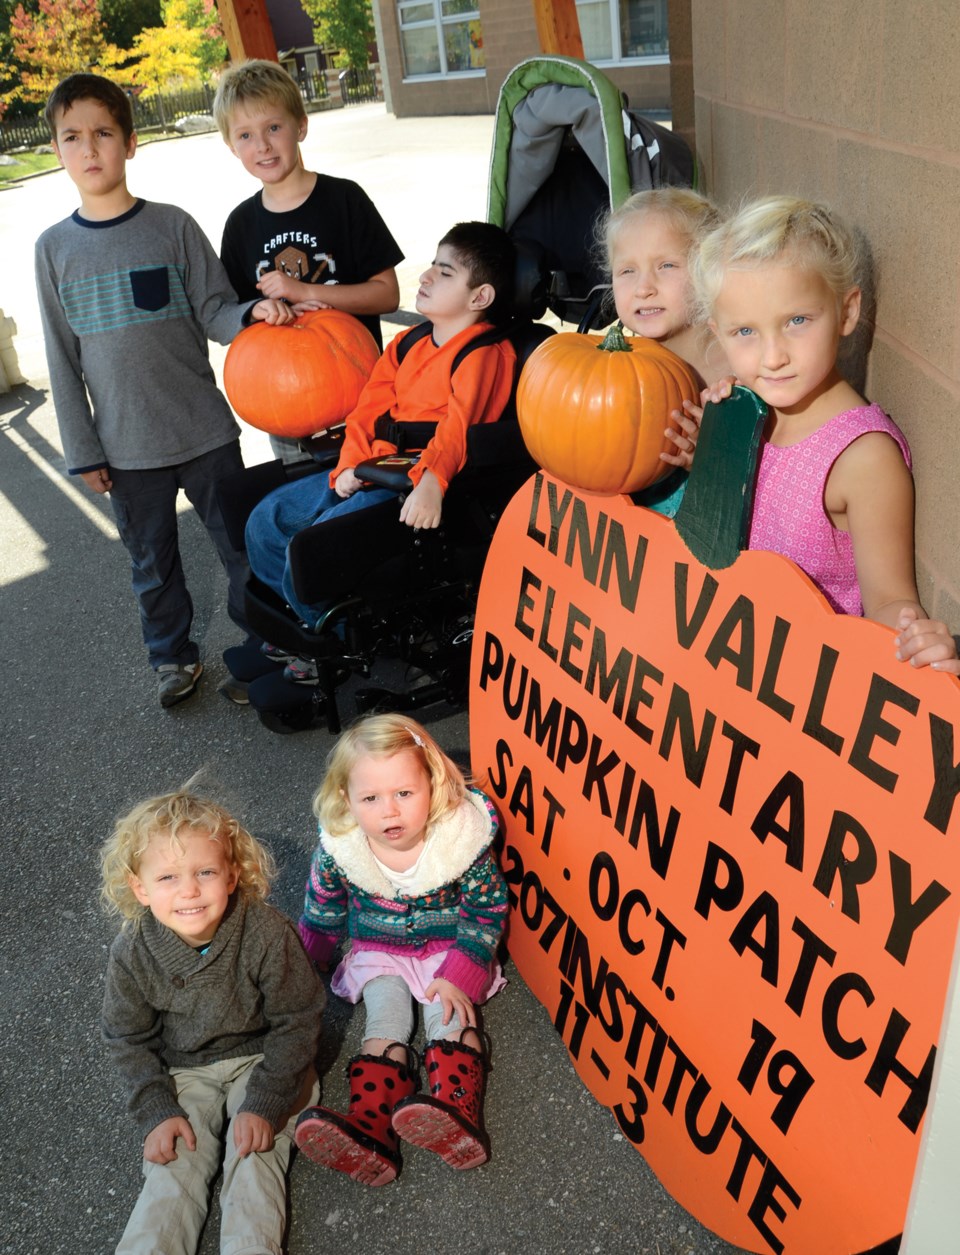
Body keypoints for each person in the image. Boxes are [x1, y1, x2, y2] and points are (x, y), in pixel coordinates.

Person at [35, 73, 293, 709]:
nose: (89, 149)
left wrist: (250, 317)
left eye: (103, 133)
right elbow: (61, 360)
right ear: (58, 150)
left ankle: (268, 647)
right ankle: (173, 659)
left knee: (241, 549)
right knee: (153, 566)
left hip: (205, 431)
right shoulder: (53, 250)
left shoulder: (173, 227)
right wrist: (83, 448)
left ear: (129, 144)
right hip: (126, 450)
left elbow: (213, 309)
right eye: (72, 137)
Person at [240, 220, 517, 686]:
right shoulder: (409, 342)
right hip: (374, 465)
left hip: (419, 482)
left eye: (445, 273)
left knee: (314, 547)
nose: (426, 276)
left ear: (480, 298)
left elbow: (459, 430)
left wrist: (433, 482)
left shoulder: (485, 354)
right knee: (266, 520)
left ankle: (337, 640)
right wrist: (350, 462)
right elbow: (368, 407)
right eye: (432, 265)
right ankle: (309, 626)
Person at [691, 194, 958, 673]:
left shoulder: (862, 457)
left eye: (796, 321)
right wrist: (713, 452)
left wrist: (917, 643)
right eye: (744, 332)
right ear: (718, 331)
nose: (772, 357)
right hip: (730, 673)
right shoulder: (745, 412)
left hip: (803, 689)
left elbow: (889, 601)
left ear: (847, 311)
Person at [100, 784, 324, 1254]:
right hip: (184, 1067)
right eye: (167, 878)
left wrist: (265, 1099)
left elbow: (298, 1017)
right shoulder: (132, 952)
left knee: (253, 1155)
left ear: (232, 875)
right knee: (173, 1164)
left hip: (266, 1058)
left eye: (205, 871)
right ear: (139, 888)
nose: (189, 891)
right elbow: (128, 1037)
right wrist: (155, 1109)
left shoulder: (265, 931)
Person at [294, 714, 508, 1186]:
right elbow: (323, 906)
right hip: (380, 950)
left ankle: (456, 1111)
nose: (388, 812)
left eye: (403, 794)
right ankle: (371, 1130)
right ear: (346, 800)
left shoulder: (459, 841)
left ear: (432, 785)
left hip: (447, 953)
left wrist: (461, 971)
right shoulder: (341, 849)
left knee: (448, 1018)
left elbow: (485, 910)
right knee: (384, 1025)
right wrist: (310, 958)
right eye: (370, 798)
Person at [213, 59, 403, 462]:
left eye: (274, 128)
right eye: (245, 135)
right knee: (305, 511)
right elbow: (231, 314)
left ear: (300, 126)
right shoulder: (241, 224)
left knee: (363, 506)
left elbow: (387, 295)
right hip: (285, 407)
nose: (262, 145)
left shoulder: (344, 200)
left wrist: (306, 291)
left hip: (360, 394)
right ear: (231, 147)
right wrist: (260, 310)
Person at [603, 186, 727, 516]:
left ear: (708, 268)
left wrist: (711, 461)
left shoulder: (740, 373)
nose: (644, 288)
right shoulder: (609, 369)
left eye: (667, 265)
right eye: (627, 271)